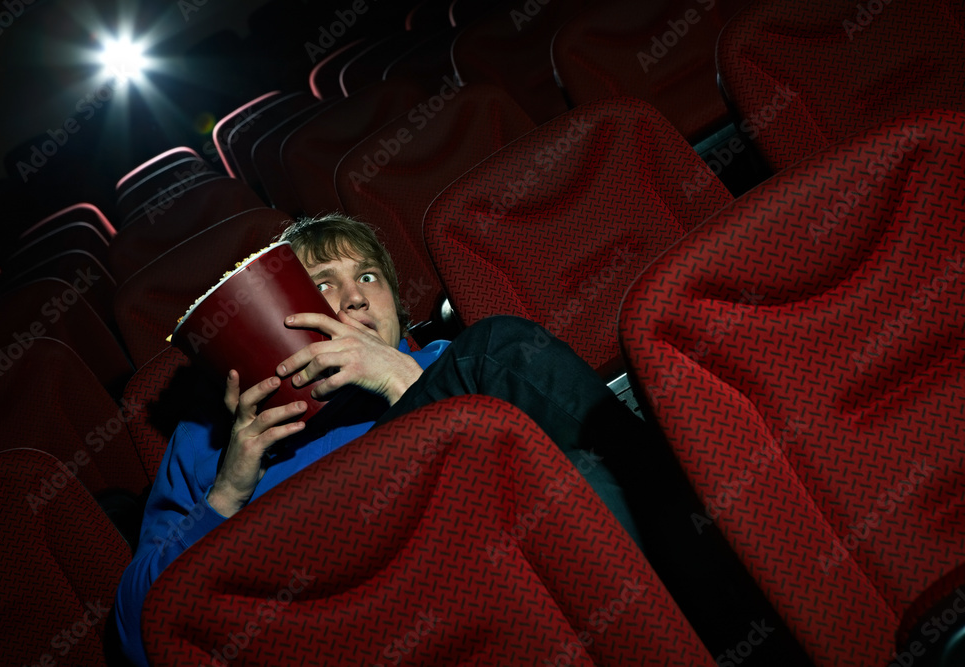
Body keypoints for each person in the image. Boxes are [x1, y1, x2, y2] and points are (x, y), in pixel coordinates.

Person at [114, 214, 644, 666]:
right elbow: (142, 637)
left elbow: (570, 479)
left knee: (501, 350)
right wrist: (227, 495)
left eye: (369, 277)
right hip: (337, 632)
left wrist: (403, 382)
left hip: (502, 578)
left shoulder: (455, 364)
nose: (354, 299)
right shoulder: (209, 446)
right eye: (322, 284)